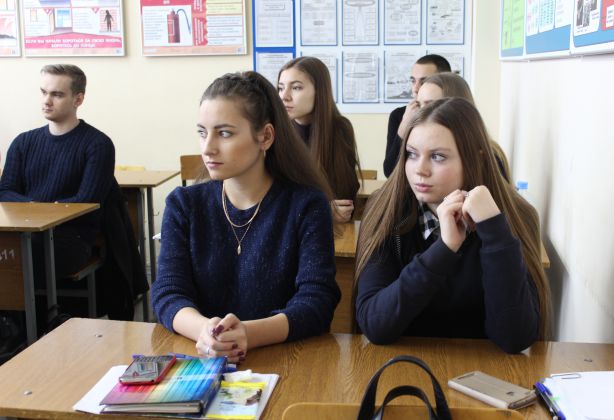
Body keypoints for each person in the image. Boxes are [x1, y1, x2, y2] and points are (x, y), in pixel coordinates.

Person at [151, 71, 341, 363]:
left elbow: (317, 300)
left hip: (284, 362)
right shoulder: (184, 204)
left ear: (265, 136)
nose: (208, 147)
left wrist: (247, 334)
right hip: (202, 359)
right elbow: (167, 293)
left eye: (224, 133)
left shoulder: (306, 205)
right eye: (202, 132)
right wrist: (207, 331)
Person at [354, 98, 550, 354]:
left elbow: (515, 338)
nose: (420, 170)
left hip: (484, 369)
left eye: (438, 157)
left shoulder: (516, 216)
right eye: (412, 154)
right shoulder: (385, 210)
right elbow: (375, 325)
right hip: (402, 364)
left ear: (475, 159)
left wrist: (494, 231)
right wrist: (444, 249)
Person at [0, 64, 115, 282]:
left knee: (22, 258)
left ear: (78, 99)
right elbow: (5, 191)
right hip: (25, 232)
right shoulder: (23, 142)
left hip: (70, 238)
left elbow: (86, 202)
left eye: (57, 95)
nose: (47, 101)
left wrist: (37, 211)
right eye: (43, 92)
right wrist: (36, 207)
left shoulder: (98, 144)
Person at [277, 56, 361, 223]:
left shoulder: (339, 128)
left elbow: (344, 204)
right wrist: (321, 209)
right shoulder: (275, 131)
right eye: (280, 88)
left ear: (319, 91)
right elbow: (273, 200)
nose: (284, 96)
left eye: (296, 87)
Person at [417, 72, 513, 184]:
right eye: (419, 105)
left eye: (430, 105)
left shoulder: (488, 154)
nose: (420, 112)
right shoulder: (418, 146)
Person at [383, 54, 451, 177]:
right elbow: (389, 172)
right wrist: (404, 127)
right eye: (413, 81)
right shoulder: (399, 115)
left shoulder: (456, 116)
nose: (415, 89)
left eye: (423, 81)